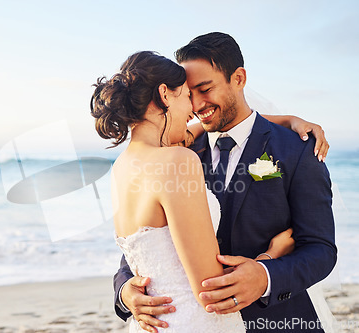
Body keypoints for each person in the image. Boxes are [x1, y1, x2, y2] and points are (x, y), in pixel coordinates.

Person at [112, 33, 337, 333]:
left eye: (205, 89)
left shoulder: (295, 149)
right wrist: (126, 291)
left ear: (239, 78)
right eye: (188, 93)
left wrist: (266, 275)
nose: (195, 105)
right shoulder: (176, 154)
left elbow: (321, 248)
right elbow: (146, 236)